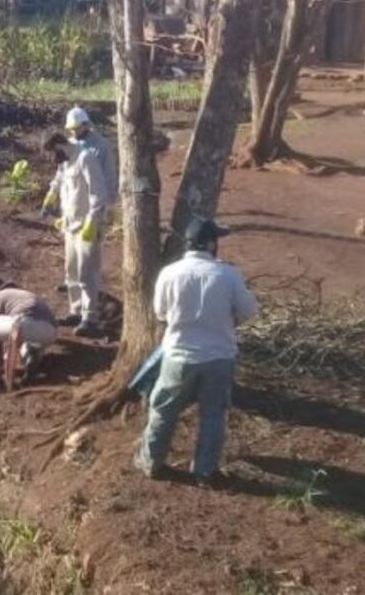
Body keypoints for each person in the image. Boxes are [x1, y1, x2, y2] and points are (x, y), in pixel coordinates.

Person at [134, 218, 259, 486]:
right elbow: (249, 311)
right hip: (219, 356)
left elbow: (160, 313)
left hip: (178, 355)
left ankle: (150, 462)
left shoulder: (169, 273)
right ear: (212, 244)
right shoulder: (228, 275)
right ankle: (204, 471)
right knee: (213, 414)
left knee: (163, 410)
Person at [42, 106, 116, 337]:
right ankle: (75, 310)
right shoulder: (65, 157)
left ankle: (89, 317)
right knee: (71, 270)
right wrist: (51, 197)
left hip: (87, 224)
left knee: (87, 272)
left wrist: (94, 220)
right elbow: (60, 179)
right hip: (70, 223)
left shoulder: (89, 156)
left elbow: (99, 192)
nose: (55, 159)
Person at [0, 279, 57, 392]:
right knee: (23, 334)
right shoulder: (23, 294)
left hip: (24, 323)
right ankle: (30, 353)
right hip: (50, 332)